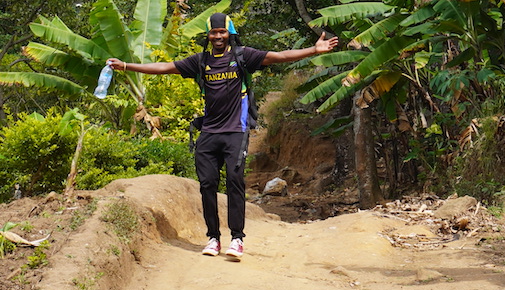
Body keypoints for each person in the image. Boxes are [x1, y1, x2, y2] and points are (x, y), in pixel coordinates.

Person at [107, 13, 338, 261]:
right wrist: (126, 66)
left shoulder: (242, 56)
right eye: (213, 32)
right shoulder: (200, 61)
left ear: (230, 33)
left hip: (235, 131)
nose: (218, 36)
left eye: (222, 32)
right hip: (208, 133)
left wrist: (313, 50)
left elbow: (278, 56)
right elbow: (165, 68)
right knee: (207, 184)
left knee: (235, 181)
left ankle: (237, 238)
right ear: (208, 35)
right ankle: (213, 238)